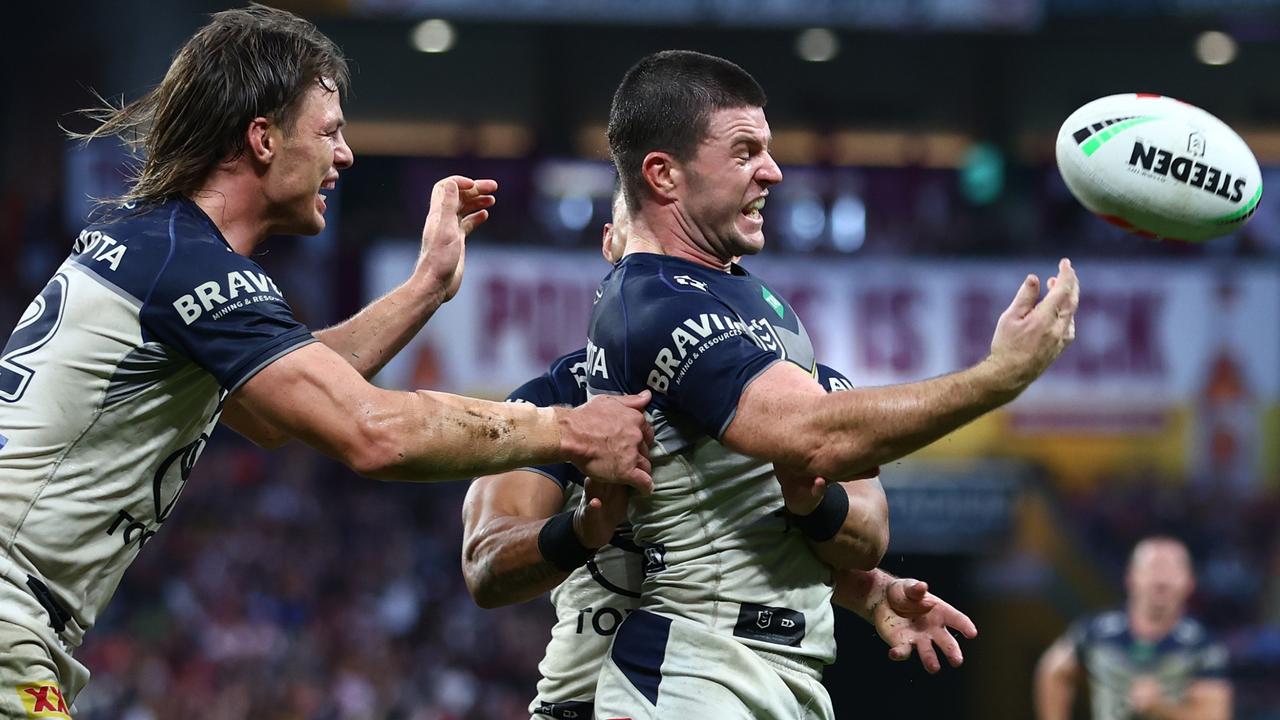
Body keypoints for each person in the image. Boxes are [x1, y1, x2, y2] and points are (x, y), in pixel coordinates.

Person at [0, 6, 651, 713]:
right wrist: (569, 429)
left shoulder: (155, 248)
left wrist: (426, 287)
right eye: (331, 132)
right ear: (262, 138)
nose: (345, 156)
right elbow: (374, 431)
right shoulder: (193, 270)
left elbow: (277, 411)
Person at [586, 49, 1079, 719]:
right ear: (663, 174)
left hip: (779, 676)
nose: (773, 171)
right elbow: (816, 437)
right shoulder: (650, 301)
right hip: (689, 676)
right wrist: (997, 379)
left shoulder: (756, 305)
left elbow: (868, 521)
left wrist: (830, 529)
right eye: (745, 151)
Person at [461, 193, 978, 720]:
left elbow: (865, 530)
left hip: (758, 686)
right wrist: (580, 532)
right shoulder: (561, 398)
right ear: (611, 243)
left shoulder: (796, 398)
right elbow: (485, 562)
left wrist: (853, 565)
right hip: (598, 700)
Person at [1035, 537, 1232, 720]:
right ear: (1130, 578)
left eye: (1171, 570)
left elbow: (1215, 715)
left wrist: (1161, 707)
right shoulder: (1098, 632)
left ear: (1190, 583)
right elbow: (1054, 669)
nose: (1161, 580)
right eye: (1153, 568)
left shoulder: (1201, 646)